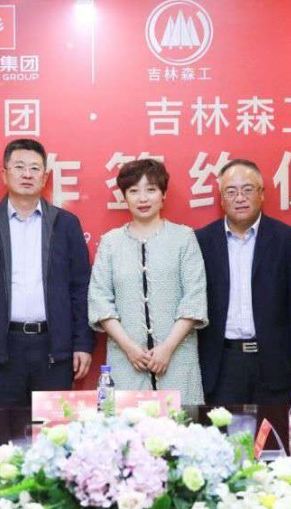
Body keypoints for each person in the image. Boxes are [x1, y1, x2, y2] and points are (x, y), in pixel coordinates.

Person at [0, 139, 93, 406]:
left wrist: (83, 344)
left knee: (55, 427)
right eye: (19, 167)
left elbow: (81, 288)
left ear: (45, 177)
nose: (27, 174)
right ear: (4, 174)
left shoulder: (66, 224)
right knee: (3, 429)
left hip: (55, 349)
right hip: (1, 351)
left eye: (34, 168)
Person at [89, 158, 209, 405]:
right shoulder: (110, 242)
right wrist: (130, 348)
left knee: (182, 426)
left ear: (163, 194)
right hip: (126, 361)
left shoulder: (183, 238)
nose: (142, 198)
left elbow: (194, 297)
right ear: (124, 197)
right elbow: (99, 299)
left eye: (151, 190)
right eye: (134, 191)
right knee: (125, 427)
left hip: (177, 359)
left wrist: (167, 348)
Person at [194, 159, 291, 405]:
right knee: (222, 429)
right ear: (221, 199)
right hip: (222, 362)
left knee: (274, 429)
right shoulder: (202, 241)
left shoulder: (286, 238)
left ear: (262, 194)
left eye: (247, 189)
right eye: (231, 191)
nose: (240, 198)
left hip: (273, 359)